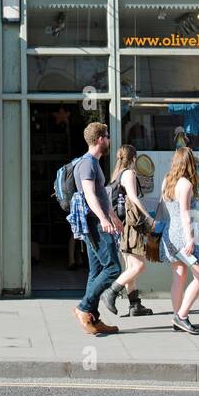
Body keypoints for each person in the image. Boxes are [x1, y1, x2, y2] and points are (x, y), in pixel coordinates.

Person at [71, 122, 122, 337]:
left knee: (96, 271)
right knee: (113, 269)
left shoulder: (93, 163)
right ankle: (84, 307)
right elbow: (90, 195)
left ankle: (92, 318)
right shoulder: (87, 164)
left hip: (98, 221)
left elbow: (101, 195)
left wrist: (112, 217)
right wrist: (103, 219)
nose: (109, 140)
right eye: (107, 136)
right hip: (95, 224)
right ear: (100, 138)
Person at [99, 144, 157, 318]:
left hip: (121, 225)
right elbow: (132, 196)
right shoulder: (129, 173)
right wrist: (147, 216)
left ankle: (135, 305)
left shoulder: (116, 175)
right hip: (131, 226)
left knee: (131, 267)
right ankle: (111, 291)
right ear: (134, 158)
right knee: (138, 266)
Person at [159, 147, 199, 334]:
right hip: (182, 237)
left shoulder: (166, 181)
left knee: (179, 277)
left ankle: (177, 317)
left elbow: (165, 210)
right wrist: (190, 241)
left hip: (169, 234)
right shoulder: (185, 184)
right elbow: (185, 215)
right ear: (190, 163)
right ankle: (182, 316)